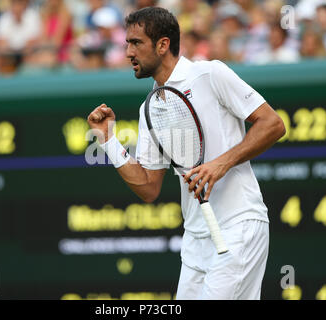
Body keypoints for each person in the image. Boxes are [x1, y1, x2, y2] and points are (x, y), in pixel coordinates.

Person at [87, 7, 285, 300]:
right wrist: (108, 142)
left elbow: (273, 123)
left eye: (136, 43)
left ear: (163, 44)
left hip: (238, 226)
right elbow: (149, 187)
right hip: (195, 242)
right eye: (127, 43)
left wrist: (220, 164)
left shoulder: (210, 73)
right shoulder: (149, 108)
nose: (128, 52)